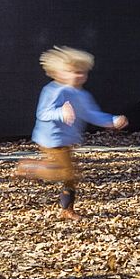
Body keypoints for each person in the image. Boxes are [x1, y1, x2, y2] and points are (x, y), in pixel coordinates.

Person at [13, 46, 128, 220]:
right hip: (51, 139)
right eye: (74, 72)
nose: (79, 76)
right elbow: (43, 113)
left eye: (82, 72)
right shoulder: (54, 91)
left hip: (65, 140)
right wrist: (61, 112)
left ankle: (67, 209)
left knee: (70, 175)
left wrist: (111, 121)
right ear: (58, 72)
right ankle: (30, 167)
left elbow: (91, 114)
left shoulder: (82, 95)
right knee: (67, 173)